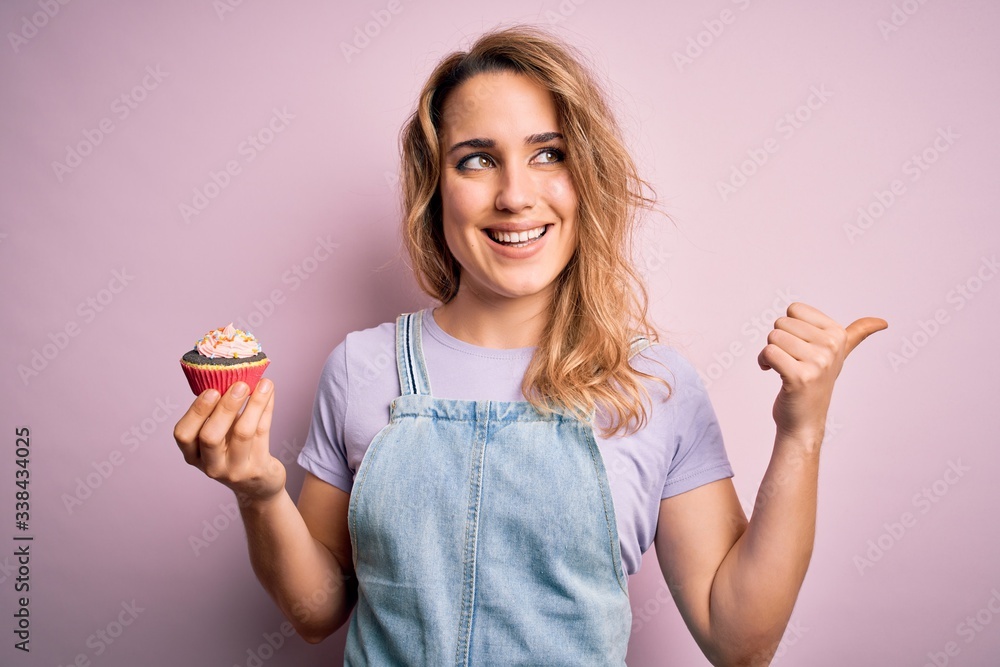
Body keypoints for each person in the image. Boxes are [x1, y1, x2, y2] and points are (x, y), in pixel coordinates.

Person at [173, 24, 887, 666]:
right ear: (435, 188)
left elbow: (739, 640)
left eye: (548, 154)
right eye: (477, 160)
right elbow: (318, 612)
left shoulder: (655, 383)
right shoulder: (361, 367)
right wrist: (260, 493)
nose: (516, 194)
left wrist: (802, 429)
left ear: (585, 179)